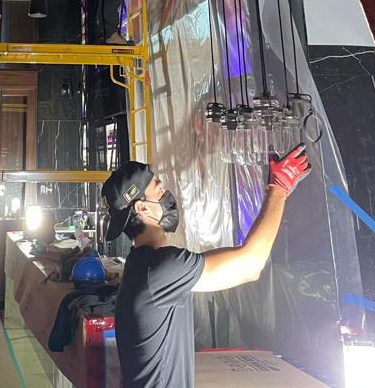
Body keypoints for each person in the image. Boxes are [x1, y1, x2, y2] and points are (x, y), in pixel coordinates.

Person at [102, 146, 311, 387]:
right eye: (159, 190)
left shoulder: (141, 265)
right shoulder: (160, 269)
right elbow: (250, 265)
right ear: (143, 207)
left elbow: (230, 259)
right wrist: (279, 188)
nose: (167, 195)